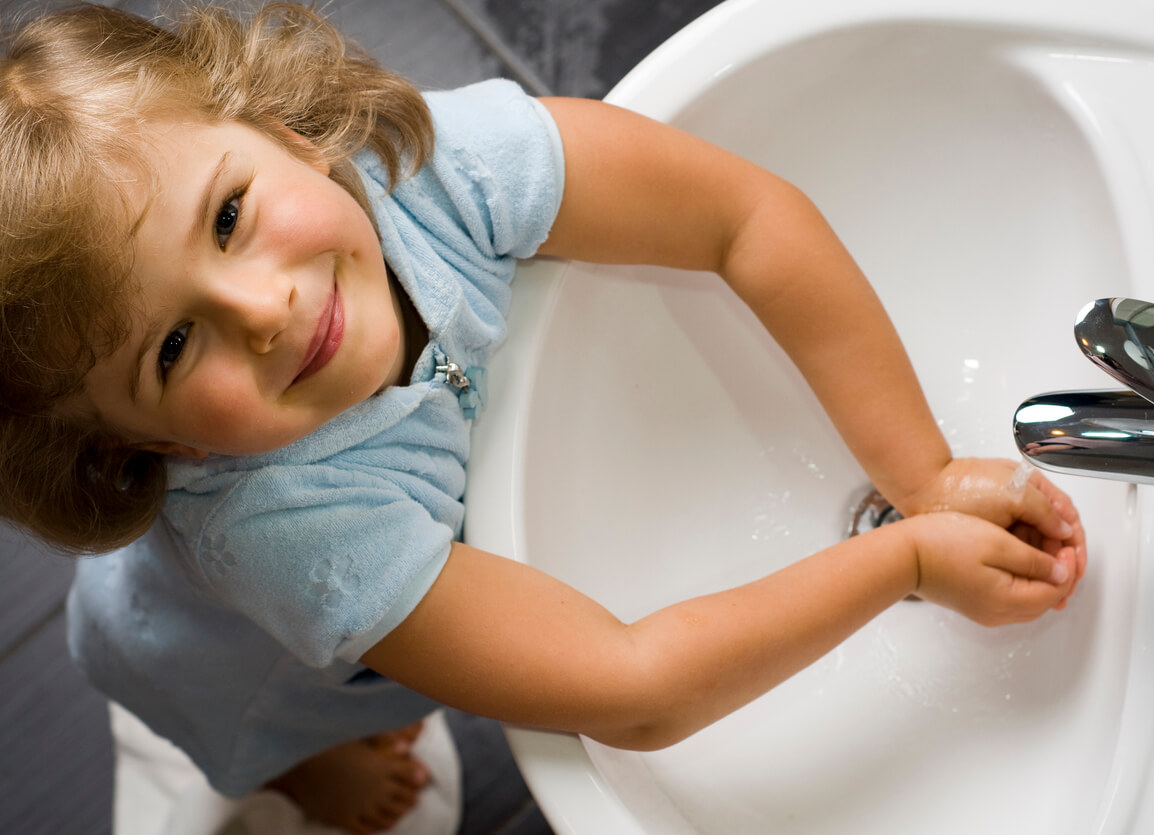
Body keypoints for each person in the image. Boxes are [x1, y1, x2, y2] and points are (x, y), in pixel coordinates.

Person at [0, 3, 1086, 833]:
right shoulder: (296, 538)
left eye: (229, 215)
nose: (267, 309)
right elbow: (634, 685)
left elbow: (743, 217)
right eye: (175, 347)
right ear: (155, 445)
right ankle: (287, 771)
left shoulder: (434, 168)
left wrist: (925, 473)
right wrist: (901, 561)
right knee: (295, 728)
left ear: (289, 134)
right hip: (226, 659)